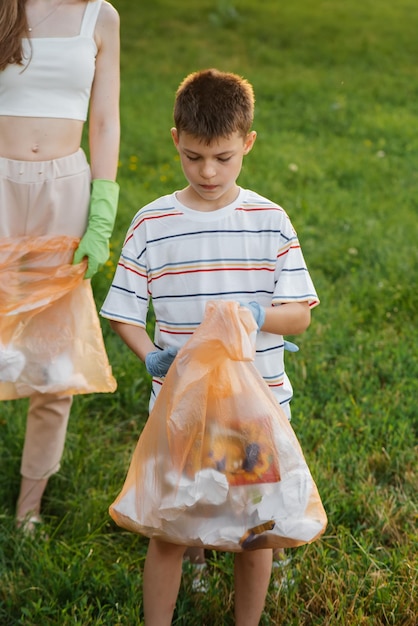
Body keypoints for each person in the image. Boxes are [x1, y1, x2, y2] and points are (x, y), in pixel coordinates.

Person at [101, 68, 319, 625]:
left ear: (247, 142)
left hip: (256, 409)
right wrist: (151, 354)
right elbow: (123, 312)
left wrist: (254, 314)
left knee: (255, 531)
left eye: (223, 157)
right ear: (175, 138)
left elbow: (299, 315)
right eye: (194, 156)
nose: (207, 171)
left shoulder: (269, 221)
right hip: (183, 410)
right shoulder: (153, 223)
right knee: (172, 529)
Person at [0, 0, 120, 532]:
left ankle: (29, 505)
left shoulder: (102, 17)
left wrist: (102, 212)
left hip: (65, 192)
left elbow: (105, 118)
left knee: (53, 360)